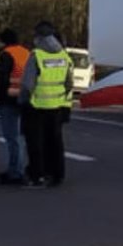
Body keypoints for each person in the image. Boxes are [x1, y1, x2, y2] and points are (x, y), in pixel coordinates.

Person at [20, 22, 74, 188]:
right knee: (55, 142)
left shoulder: (36, 56)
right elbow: (69, 83)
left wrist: (23, 101)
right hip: (56, 106)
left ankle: (37, 176)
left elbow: (28, 84)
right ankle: (57, 174)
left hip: (36, 106)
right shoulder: (64, 57)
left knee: (36, 143)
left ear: (39, 38)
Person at [0, 28, 29, 185]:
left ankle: (15, 172)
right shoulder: (26, 53)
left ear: (3, 41)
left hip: (8, 99)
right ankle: (18, 169)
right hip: (24, 98)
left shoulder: (6, 55)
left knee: (12, 138)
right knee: (19, 137)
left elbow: (2, 79)